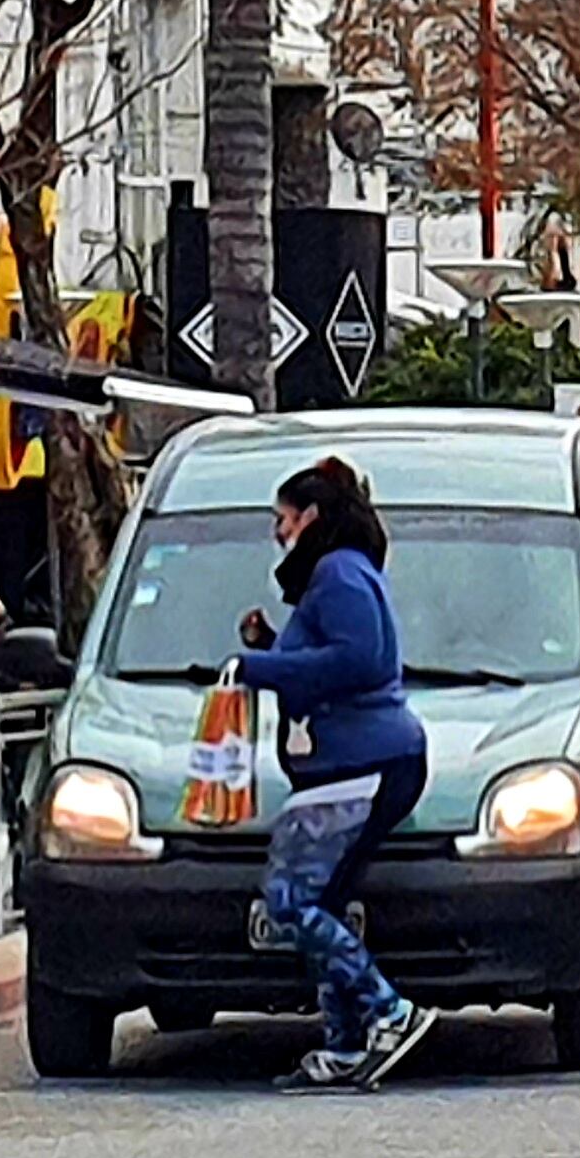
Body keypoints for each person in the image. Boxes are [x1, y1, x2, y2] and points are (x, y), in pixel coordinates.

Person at [234, 458, 432, 1089]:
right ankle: (345, 1042)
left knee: (289, 903)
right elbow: (332, 657)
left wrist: (256, 669)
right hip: (358, 762)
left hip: (357, 765)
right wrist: (272, 646)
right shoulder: (343, 574)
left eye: (282, 519)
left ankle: (387, 1010)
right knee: (323, 900)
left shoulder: (337, 573)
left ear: (310, 518)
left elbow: (356, 659)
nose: (277, 533)